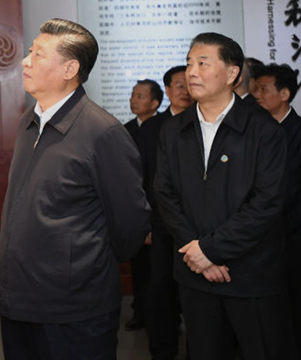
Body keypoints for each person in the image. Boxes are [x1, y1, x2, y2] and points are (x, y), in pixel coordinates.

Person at [0, 18, 150, 360]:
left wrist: (81, 265)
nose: (25, 61)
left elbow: (131, 225)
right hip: (18, 299)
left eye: (38, 54)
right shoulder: (28, 122)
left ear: (70, 69)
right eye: (30, 52)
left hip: (75, 310)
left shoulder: (102, 132)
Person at [154, 32, 289, 360]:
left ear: (232, 74)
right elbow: (164, 193)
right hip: (194, 273)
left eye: (203, 63)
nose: (192, 72)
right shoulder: (173, 130)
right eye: (189, 64)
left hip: (250, 275)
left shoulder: (264, 130)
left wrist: (211, 250)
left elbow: (267, 202)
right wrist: (197, 251)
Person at [253, 63, 301, 360]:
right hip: (258, 239)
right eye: (255, 89)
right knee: (267, 310)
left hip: (297, 238)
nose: (256, 94)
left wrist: (282, 223)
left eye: (263, 89)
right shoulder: (253, 132)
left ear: (284, 94)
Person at [136, 65, 192, 360]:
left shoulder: (204, 121)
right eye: (178, 85)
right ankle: (162, 351)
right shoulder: (151, 128)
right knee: (160, 289)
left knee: (196, 295)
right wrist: (144, 221)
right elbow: (140, 177)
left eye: (188, 84)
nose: (184, 90)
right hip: (160, 224)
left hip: (198, 226)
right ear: (167, 90)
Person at [124, 78, 163, 331]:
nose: (134, 100)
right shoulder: (125, 130)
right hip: (134, 209)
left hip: (158, 211)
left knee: (159, 270)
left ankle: (161, 316)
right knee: (138, 266)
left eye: (140, 96)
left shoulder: (163, 129)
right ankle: (140, 312)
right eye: (133, 95)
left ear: (155, 103)